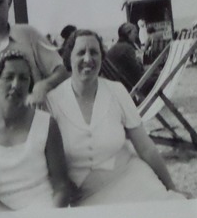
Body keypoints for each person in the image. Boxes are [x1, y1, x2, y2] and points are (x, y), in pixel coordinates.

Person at [47, 30, 186, 206]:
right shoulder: (52, 101)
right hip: (88, 198)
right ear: (69, 58)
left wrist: (171, 188)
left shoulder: (116, 91)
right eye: (81, 52)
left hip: (134, 180)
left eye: (94, 52)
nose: (88, 59)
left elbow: (146, 148)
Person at [0, 51, 70, 211]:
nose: (16, 84)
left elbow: (61, 184)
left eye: (23, 78)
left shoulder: (46, 123)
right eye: (9, 77)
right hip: (1, 217)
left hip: (46, 214)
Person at [101, 21, 143, 91]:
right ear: (128, 34)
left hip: (118, 84)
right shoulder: (127, 48)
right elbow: (137, 72)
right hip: (129, 85)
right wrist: (139, 61)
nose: (137, 36)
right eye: (135, 33)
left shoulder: (115, 47)